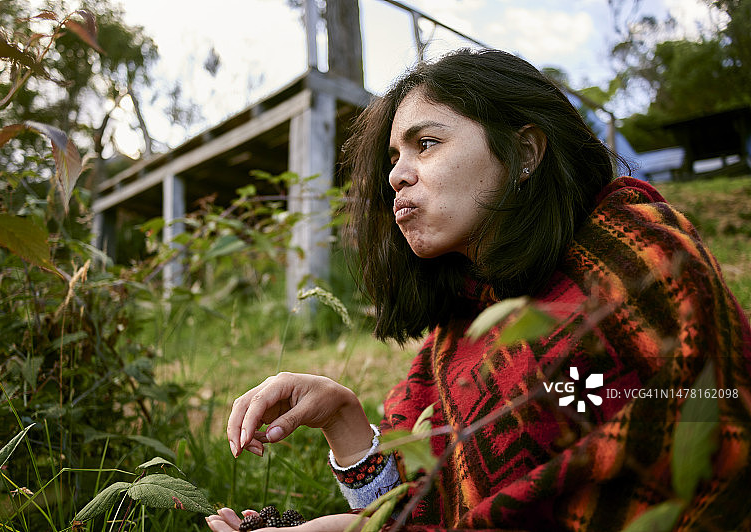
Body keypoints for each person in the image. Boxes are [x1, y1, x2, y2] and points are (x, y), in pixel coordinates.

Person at [206, 48, 751, 531]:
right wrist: (341, 415)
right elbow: (407, 509)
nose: (396, 175)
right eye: (393, 158)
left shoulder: (637, 258)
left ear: (526, 153)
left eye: (426, 143)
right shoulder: (458, 332)